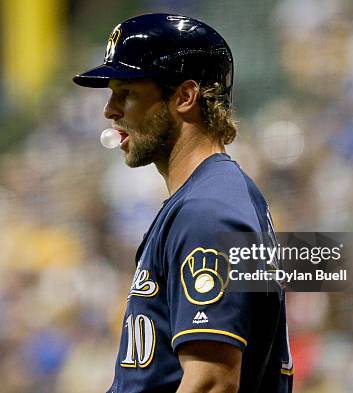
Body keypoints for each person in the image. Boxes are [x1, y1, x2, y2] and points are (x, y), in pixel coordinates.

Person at [73, 13, 293, 393]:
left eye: (125, 93)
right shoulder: (208, 197)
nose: (109, 110)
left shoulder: (208, 210)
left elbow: (211, 382)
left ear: (185, 97)